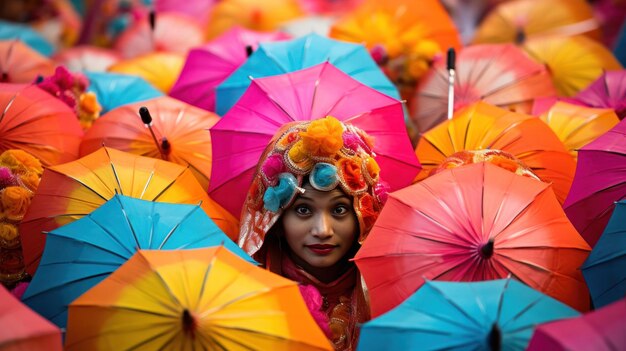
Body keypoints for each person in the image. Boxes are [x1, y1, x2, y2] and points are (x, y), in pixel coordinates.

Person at [238, 116, 389, 351]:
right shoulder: (244, 301)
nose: (322, 230)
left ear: (364, 215)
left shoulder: (392, 299)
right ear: (277, 220)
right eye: (303, 209)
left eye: (339, 210)